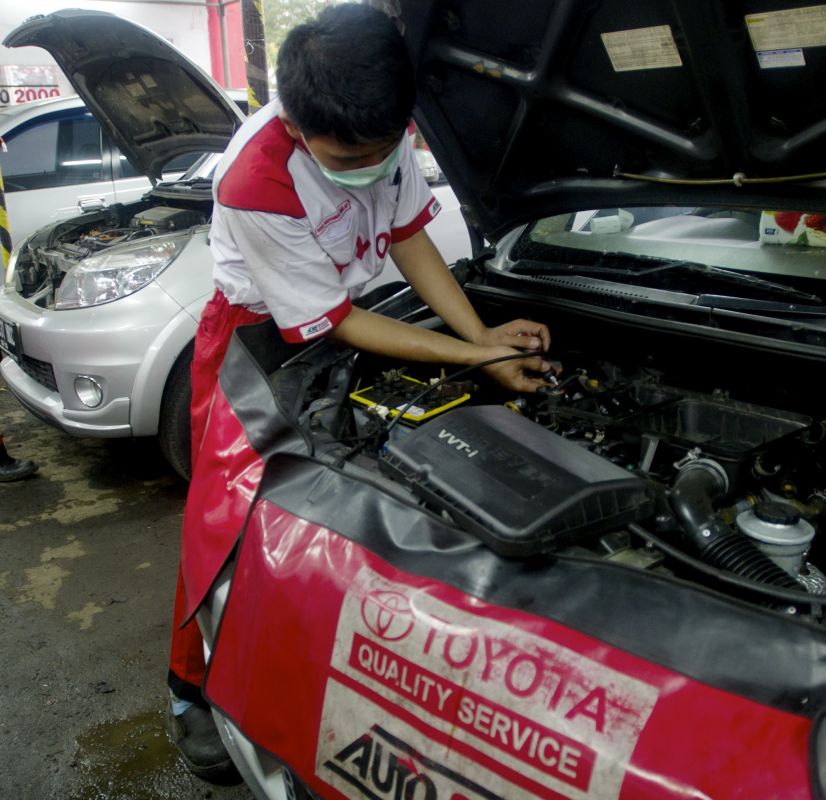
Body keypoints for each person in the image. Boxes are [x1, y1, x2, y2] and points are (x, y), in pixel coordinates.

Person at [165, 3, 553, 779]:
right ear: (300, 127)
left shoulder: (384, 125)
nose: (370, 167)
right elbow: (333, 320)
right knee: (226, 522)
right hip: (251, 340)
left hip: (341, 319)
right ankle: (190, 687)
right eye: (345, 161)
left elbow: (409, 237)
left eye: (383, 150)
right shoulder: (258, 180)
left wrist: (479, 339)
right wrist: (474, 360)